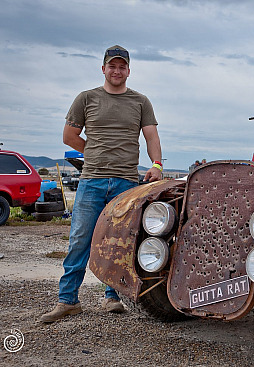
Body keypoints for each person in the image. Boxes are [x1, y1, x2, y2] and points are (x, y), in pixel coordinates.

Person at [40, 45, 163, 323]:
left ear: (129, 70)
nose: (117, 71)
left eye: (122, 67)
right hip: (92, 180)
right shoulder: (86, 98)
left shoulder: (140, 101)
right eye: (112, 66)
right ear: (103, 68)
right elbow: (69, 136)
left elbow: (151, 136)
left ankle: (112, 297)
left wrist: (156, 165)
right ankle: (67, 300)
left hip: (126, 182)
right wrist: (93, 152)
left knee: (120, 241)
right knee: (80, 239)